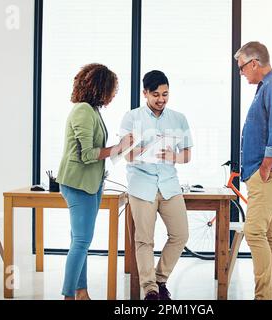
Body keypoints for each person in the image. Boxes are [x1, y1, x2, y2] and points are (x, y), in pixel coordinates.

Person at [56, 63, 133, 300]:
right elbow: (87, 154)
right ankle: (69, 296)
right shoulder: (82, 111)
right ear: (99, 88)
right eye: (111, 90)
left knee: (79, 241)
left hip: (91, 183)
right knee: (81, 241)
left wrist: (118, 149)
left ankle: (81, 292)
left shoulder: (91, 110)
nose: (112, 95)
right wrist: (117, 148)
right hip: (79, 184)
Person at [119, 70, 193, 300]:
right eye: (156, 95)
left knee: (180, 234)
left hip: (169, 185)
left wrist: (174, 157)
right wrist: (144, 151)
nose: (161, 99)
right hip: (141, 185)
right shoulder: (131, 118)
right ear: (145, 93)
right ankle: (150, 289)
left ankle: (160, 280)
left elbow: (187, 155)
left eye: (165, 94)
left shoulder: (179, 118)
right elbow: (126, 155)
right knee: (144, 239)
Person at [234, 42, 272, 300]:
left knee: (254, 232)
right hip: (265, 174)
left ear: (254, 63)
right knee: (269, 233)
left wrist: (265, 166)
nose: (241, 73)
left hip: (269, 175)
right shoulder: (267, 87)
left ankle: (263, 297)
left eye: (241, 68)